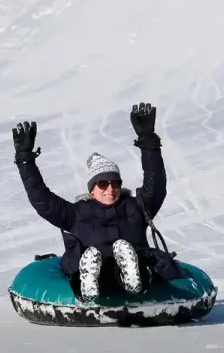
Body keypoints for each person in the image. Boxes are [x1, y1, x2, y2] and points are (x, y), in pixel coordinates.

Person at [12, 102, 166, 302]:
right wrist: (25, 160)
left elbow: (156, 185)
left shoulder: (137, 207)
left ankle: (129, 273)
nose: (110, 188)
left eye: (115, 183)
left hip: (134, 268)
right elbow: (42, 200)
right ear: (92, 189)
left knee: (130, 254)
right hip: (96, 268)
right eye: (102, 183)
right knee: (91, 258)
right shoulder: (77, 213)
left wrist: (148, 141)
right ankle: (89, 279)